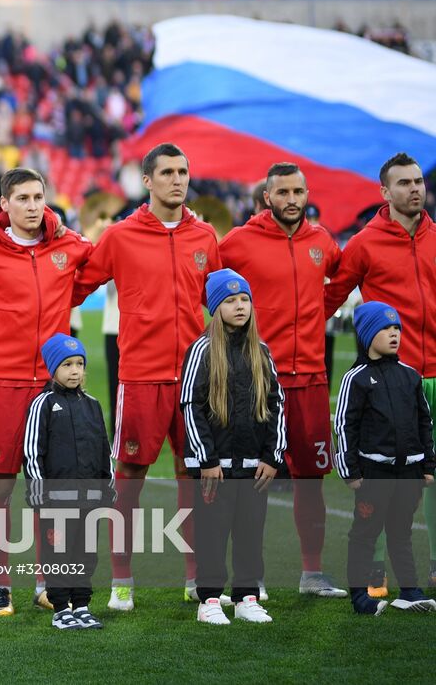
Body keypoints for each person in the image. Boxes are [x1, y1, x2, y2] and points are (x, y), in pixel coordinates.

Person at [74, 143, 221, 611]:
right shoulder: (120, 236)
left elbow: (221, 305)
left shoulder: (205, 238)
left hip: (196, 379)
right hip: (140, 376)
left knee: (195, 478)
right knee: (130, 476)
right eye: (169, 172)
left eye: (184, 171)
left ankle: (196, 578)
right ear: (147, 180)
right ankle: (122, 581)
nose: (178, 180)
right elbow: (78, 286)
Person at [0, 168, 92, 615]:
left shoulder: (69, 246)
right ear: (5, 204)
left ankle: (47, 582)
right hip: (1, 381)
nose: (33, 206)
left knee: (51, 488)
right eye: (24, 198)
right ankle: (0, 584)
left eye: (39, 197)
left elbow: (105, 266)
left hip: (53, 386)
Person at [220, 163, 347, 598]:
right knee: (248, 478)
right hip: (257, 377)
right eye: (283, 192)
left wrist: (315, 315)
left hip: (310, 377)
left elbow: (339, 281)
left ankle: (312, 574)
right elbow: (210, 288)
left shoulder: (322, 241)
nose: (292, 200)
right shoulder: (239, 242)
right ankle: (249, 576)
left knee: (311, 478)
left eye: (298, 191)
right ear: (267, 196)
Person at [325, 152, 436, 591]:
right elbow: (327, 302)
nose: (414, 189)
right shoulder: (364, 244)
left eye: (418, 182)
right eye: (404, 183)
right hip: (391, 381)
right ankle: (372, 573)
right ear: (384, 192)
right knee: (379, 478)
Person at [180, 270, 285, 626]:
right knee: (211, 533)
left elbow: (277, 405)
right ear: (215, 307)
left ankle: (245, 597)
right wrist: (206, 460)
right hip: (215, 468)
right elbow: (190, 405)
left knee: (250, 532)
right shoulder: (202, 350)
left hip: (253, 465)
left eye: (244, 300)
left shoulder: (262, 351)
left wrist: (273, 457)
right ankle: (209, 598)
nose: (239, 306)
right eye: (229, 301)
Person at [337, 302, 436, 616]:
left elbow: (425, 422)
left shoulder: (410, 376)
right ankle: (359, 596)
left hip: (408, 475)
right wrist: (350, 471)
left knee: (401, 531)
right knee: (365, 533)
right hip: (374, 474)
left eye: (397, 329)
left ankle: (409, 589)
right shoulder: (357, 379)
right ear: (367, 335)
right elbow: (344, 426)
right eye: (385, 329)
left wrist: (428, 465)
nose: (394, 334)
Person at [23, 333, 111, 630]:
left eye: (79, 364)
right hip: (56, 503)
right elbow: (33, 452)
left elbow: (103, 450)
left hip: (90, 499)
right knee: (58, 553)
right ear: (52, 368)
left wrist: (107, 487)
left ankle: (82, 604)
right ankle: (61, 607)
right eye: (67, 364)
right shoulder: (43, 404)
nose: (75, 370)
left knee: (86, 554)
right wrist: (38, 492)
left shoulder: (93, 404)